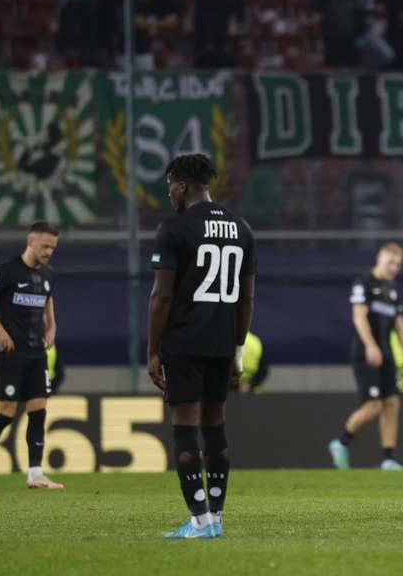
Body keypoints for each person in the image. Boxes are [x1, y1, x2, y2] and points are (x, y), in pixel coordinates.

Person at [148, 154, 256, 539]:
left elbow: (161, 298)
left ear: (180, 184)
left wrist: (153, 350)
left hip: (185, 340)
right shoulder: (241, 228)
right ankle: (218, 517)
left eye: (169, 187)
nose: (170, 194)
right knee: (215, 425)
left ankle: (199, 521)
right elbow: (246, 299)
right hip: (223, 342)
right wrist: (239, 349)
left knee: (184, 425)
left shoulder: (175, 229)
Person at [0, 222, 63, 490]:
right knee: (7, 412)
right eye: (45, 246)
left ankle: (35, 473)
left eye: (53, 248)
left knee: (38, 409)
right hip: (12, 354)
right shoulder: (8, 270)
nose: (48, 252)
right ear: (30, 241)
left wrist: (52, 325)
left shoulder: (48, 274)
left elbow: (48, 297)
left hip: (37, 354)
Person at [329, 243, 403, 470]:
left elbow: (399, 324)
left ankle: (388, 459)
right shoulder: (363, 283)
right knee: (374, 406)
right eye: (391, 262)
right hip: (366, 353)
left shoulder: (392, 289)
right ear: (379, 258)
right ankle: (341, 443)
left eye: (398, 264)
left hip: (386, 353)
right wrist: (370, 346)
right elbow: (359, 317)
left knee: (392, 403)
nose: (394, 267)